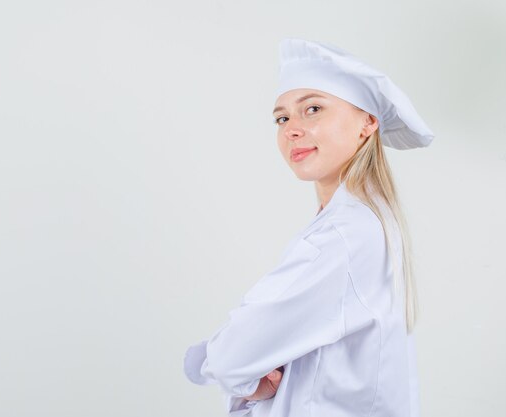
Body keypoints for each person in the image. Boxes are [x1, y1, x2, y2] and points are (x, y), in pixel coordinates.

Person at [183, 37, 435, 417]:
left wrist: (237, 373)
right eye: (282, 118)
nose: (291, 130)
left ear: (368, 122)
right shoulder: (367, 222)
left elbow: (228, 358)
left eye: (312, 109)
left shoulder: (342, 237)